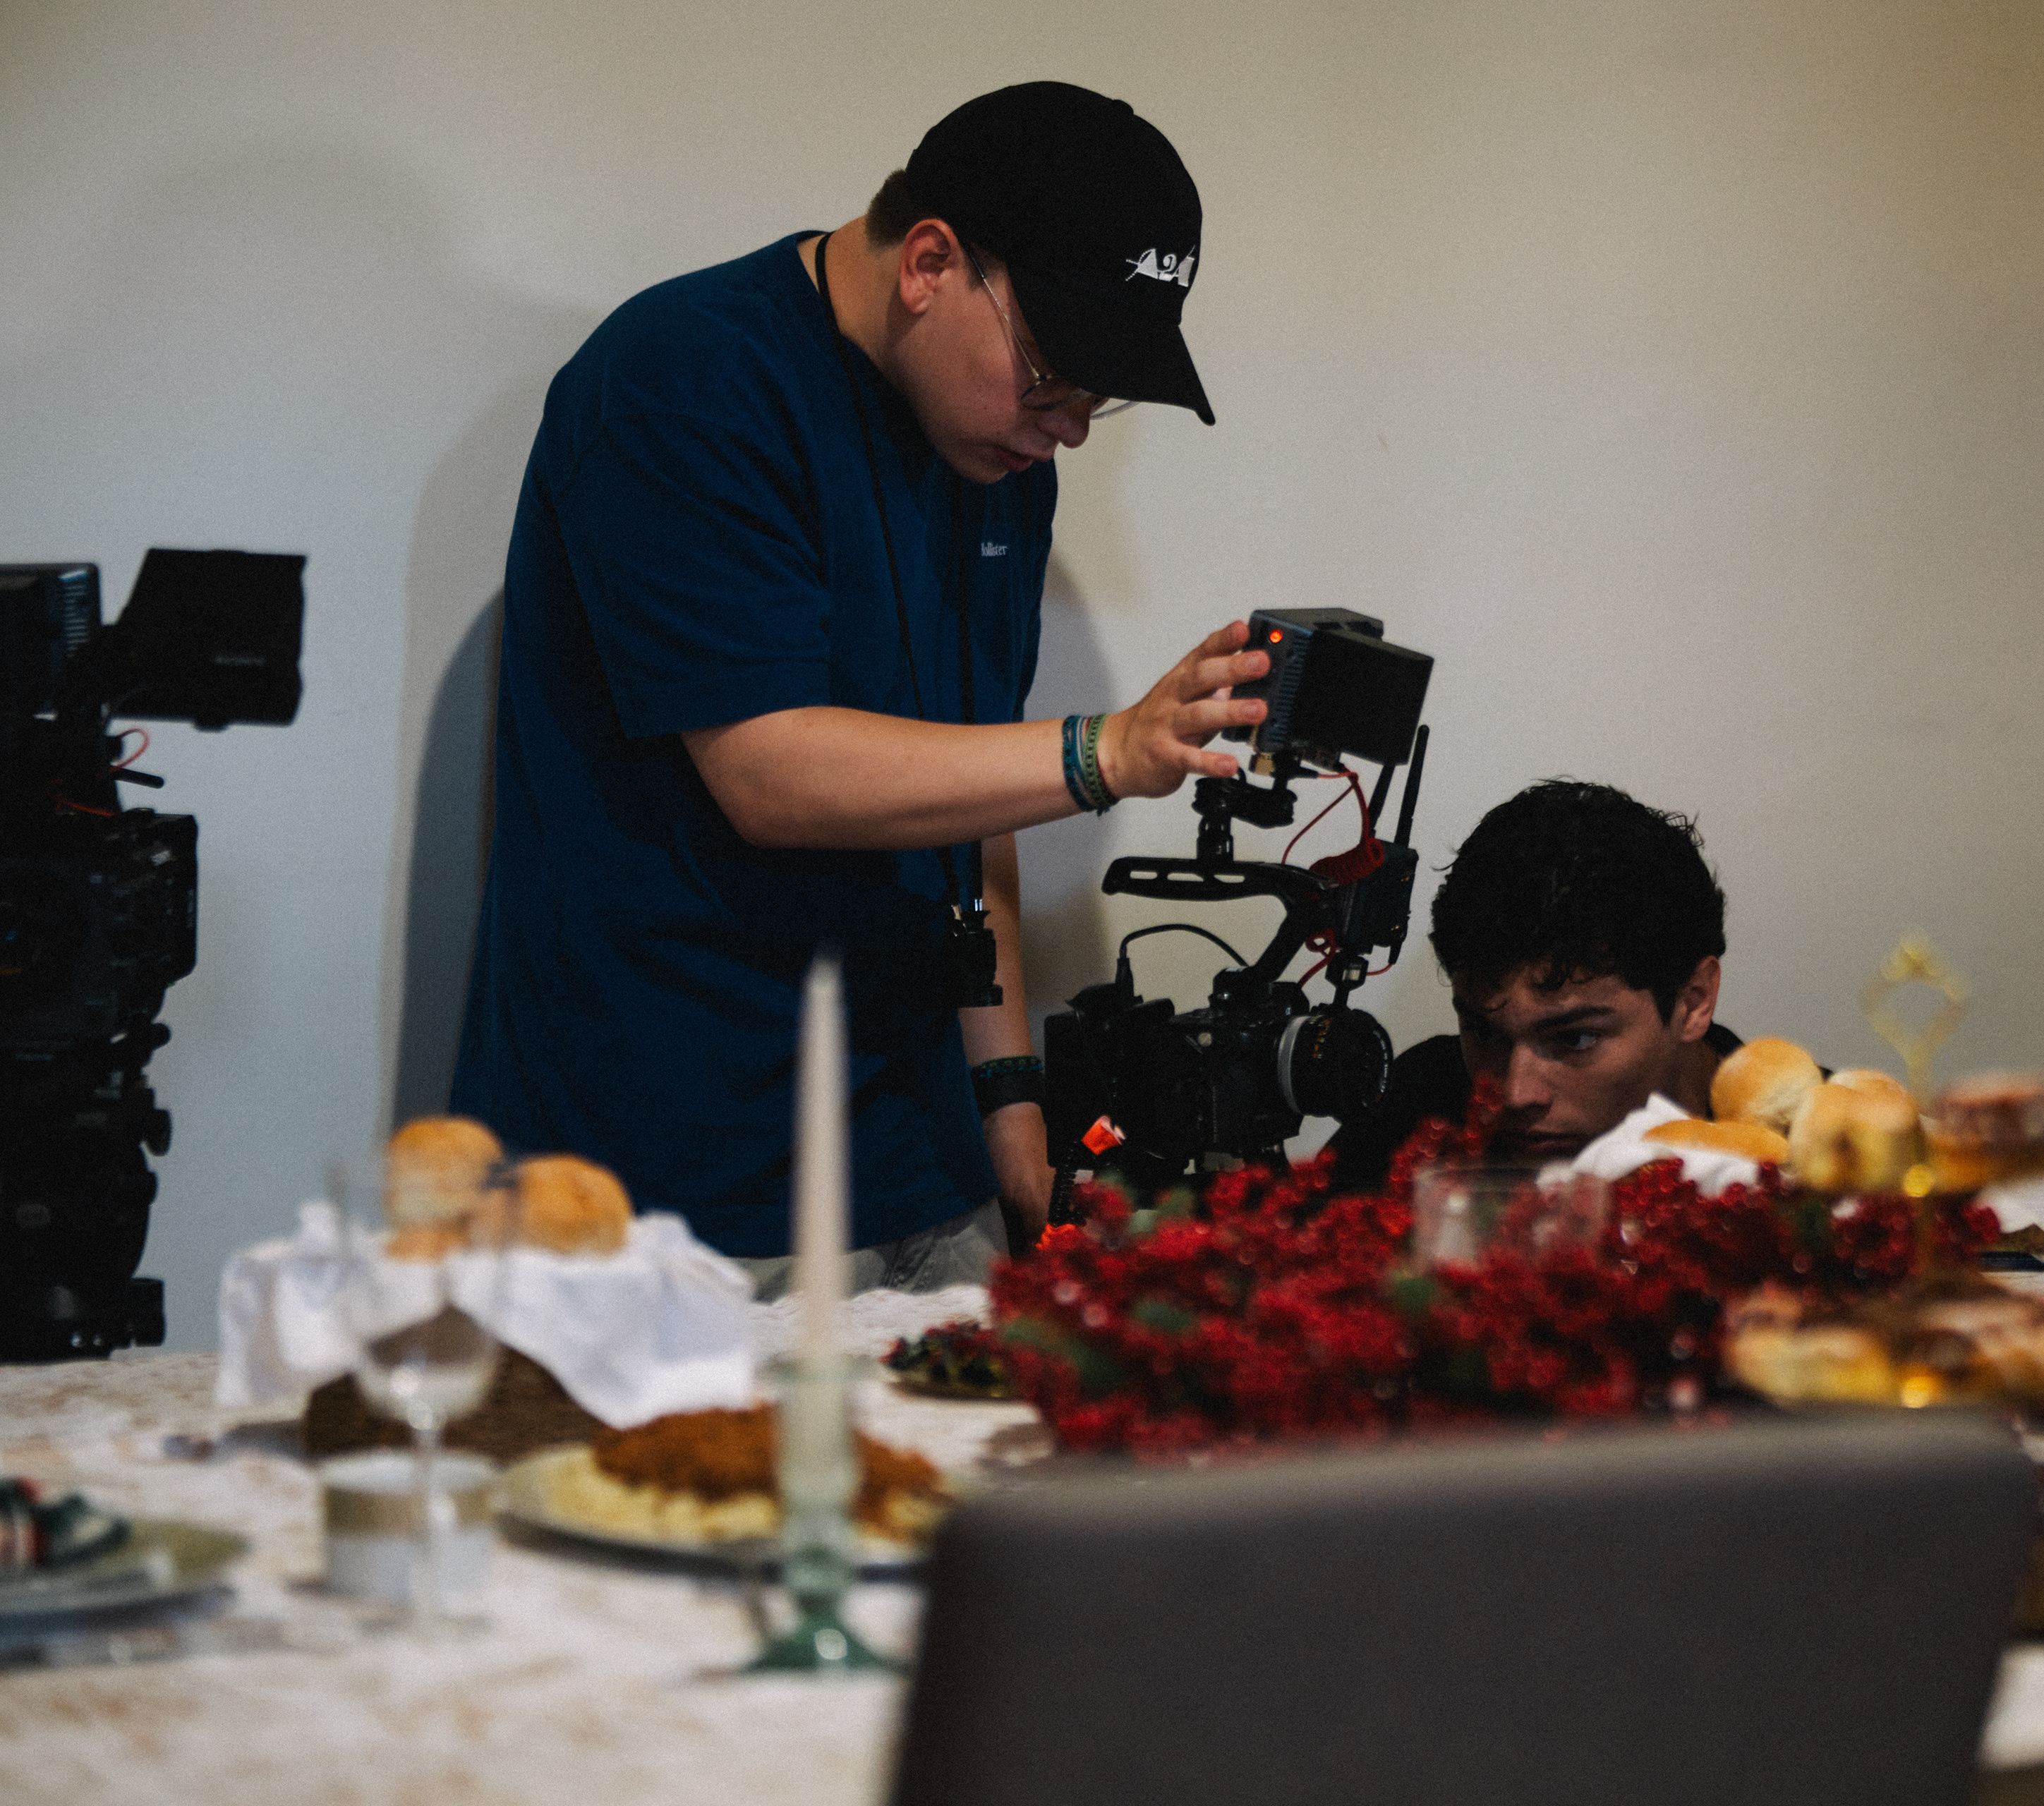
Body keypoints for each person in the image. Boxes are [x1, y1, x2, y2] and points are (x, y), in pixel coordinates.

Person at [451, 83, 1268, 1293]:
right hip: (670, 1183)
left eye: (1098, 396)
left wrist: (1011, 1121)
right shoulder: (686, 379)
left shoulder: (997, 459)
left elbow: (973, 795)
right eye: (1053, 374)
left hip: (921, 1157)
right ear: (930, 264)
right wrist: (1102, 751)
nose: (1069, 429)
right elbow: (771, 774)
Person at [1324, 780, 1743, 1192]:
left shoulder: (1782, 1162)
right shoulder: (1422, 1107)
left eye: (1575, 1039)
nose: (1516, 1094)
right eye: (1485, 1034)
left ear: (1694, 1002)